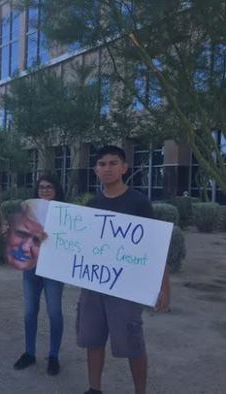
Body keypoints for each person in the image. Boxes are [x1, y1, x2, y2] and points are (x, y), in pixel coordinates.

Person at [78, 145, 170, 394]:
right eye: (102, 164)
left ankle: (140, 391)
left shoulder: (138, 202)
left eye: (113, 163)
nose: (107, 168)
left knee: (132, 343)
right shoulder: (92, 204)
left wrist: (164, 287)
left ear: (124, 167)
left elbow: (155, 247)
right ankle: (94, 389)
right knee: (93, 340)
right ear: (96, 169)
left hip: (126, 288)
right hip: (94, 284)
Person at [10, 175, 65, 376]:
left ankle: (53, 356)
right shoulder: (28, 210)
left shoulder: (66, 213)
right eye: (41, 187)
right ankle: (29, 352)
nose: (45, 190)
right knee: (29, 312)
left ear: (57, 189)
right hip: (31, 266)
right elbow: (18, 235)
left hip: (54, 268)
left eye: (49, 187)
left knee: (54, 312)